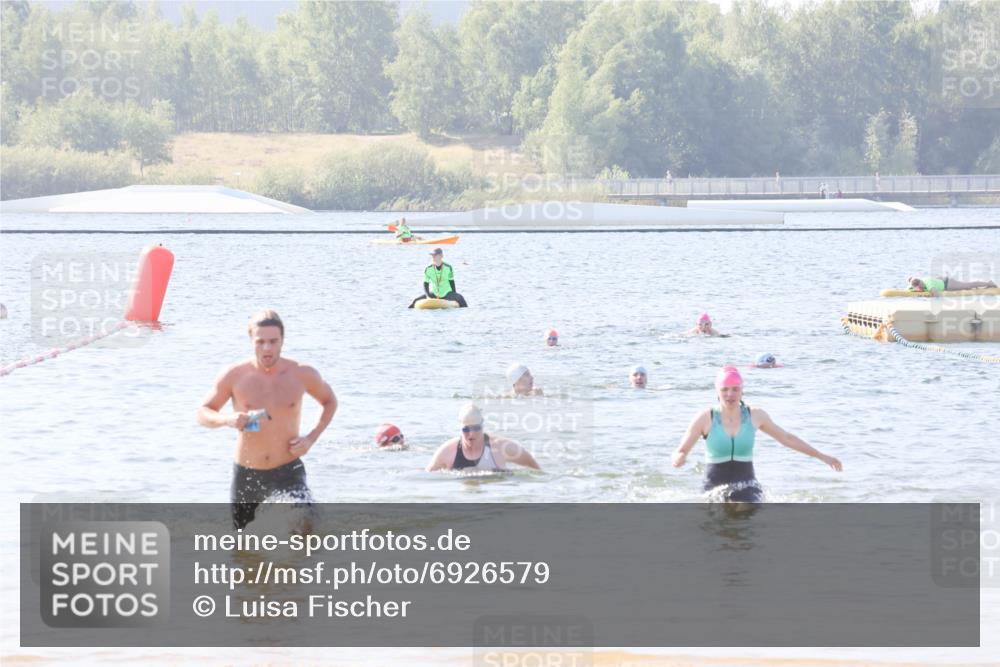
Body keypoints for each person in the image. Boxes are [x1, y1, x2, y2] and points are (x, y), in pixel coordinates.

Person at [197, 309, 338, 529]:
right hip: (247, 474)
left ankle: (301, 563)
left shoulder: (302, 374)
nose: (267, 348)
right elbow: (204, 412)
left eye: (273, 341)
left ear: (282, 341)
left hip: (287, 470)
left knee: (305, 527)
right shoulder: (234, 375)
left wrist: (311, 438)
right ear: (251, 340)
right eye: (260, 341)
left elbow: (330, 401)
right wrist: (227, 419)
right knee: (244, 547)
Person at [671, 366, 842, 503]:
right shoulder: (705, 417)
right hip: (713, 487)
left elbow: (787, 438)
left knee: (743, 514)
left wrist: (822, 456)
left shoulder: (754, 415)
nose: (730, 394)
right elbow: (681, 450)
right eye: (725, 389)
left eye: (735, 389)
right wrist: (679, 459)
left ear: (742, 391)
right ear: (717, 391)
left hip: (747, 486)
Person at [426, 403, 541, 472]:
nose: (471, 434)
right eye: (466, 430)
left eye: (476, 428)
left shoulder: (501, 447)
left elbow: (536, 470)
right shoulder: (447, 451)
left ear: (482, 426)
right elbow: (426, 478)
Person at [908, 275, 996, 295]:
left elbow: (936, 295)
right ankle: (980, 286)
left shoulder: (929, 284)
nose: (919, 289)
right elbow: (910, 288)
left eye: (918, 287)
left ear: (919, 284)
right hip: (943, 282)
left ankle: (989, 283)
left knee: (968, 285)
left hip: (948, 284)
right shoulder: (921, 282)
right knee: (968, 286)